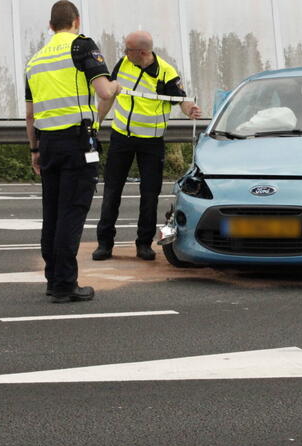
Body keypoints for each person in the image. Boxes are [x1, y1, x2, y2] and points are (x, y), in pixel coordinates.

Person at [25, 0, 120, 303]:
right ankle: (67, 284)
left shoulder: (35, 60)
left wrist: (34, 150)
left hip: (48, 143)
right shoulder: (81, 47)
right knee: (72, 212)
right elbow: (104, 91)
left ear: (50, 26)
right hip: (77, 143)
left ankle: (54, 279)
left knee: (51, 212)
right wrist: (116, 86)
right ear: (76, 21)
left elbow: (30, 115)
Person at [92, 31, 201, 262]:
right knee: (112, 191)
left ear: (141, 52)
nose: (123, 53)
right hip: (121, 137)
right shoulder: (123, 63)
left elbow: (181, 99)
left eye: (127, 49)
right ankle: (104, 243)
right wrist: (96, 123)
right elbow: (109, 95)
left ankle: (144, 244)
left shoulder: (165, 73)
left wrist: (190, 110)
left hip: (151, 142)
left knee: (149, 195)